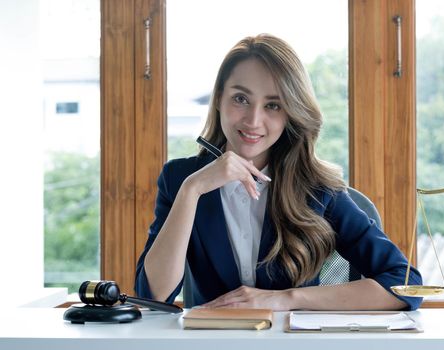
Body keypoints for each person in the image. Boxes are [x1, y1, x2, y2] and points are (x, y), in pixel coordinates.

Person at [135, 34, 422, 311]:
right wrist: (192, 190)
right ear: (219, 99)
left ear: (290, 113)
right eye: (240, 99)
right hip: (212, 341)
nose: (253, 120)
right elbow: (154, 293)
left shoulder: (317, 188)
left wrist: (288, 298)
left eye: (273, 105)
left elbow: (404, 284)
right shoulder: (180, 179)